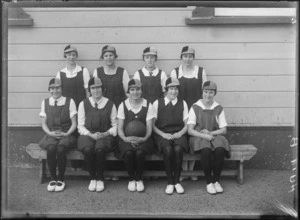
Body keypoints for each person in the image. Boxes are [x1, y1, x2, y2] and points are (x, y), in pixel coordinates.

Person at [170, 46, 208, 181]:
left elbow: (205, 92)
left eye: (190, 56)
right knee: (182, 139)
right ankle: (182, 170)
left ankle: (191, 170)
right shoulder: (175, 72)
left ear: (193, 57)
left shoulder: (200, 72)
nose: (188, 59)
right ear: (181, 57)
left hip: (196, 110)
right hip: (180, 110)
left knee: (193, 138)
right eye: (185, 56)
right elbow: (172, 92)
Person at [187, 81, 231, 195]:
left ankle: (216, 180)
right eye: (206, 92)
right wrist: (204, 135)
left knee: (220, 150)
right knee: (206, 151)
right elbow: (190, 130)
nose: (208, 94)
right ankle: (209, 182)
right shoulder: (195, 107)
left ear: (214, 93)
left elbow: (223, 129)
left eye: (211, 92)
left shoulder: (218, 108)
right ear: (202, 92)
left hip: (214, 135)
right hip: (199, 136)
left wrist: (210, 133)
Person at [77, 77, 118, 192]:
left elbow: (115, 125)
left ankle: (100, 178)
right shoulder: (83, 104)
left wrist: (106, 133)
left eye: (98, 88)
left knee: (100, 149)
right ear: (89, 90)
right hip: (88, 134)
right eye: (93, 88)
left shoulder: (110, 104)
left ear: (102, 88)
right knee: (88, 149)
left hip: (104, 135)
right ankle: (93, 178)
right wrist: (90, 135)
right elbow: (80, 126)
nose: (96, 91)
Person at [38, 78, 77, 192]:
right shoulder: (45, 102)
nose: (55, 91)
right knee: (51, 148)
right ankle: (53, 178)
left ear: (62, 89)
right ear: (49, 89)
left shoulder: (70, 101)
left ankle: (61, 178)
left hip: (67, 133)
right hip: (51, 133)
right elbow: (44, 124)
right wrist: (50, 133)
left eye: (57, 88)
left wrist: (66, 133)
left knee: (60, 149)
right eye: (52, 88)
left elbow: (74, 123)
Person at [56, 45, 90, 170]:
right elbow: (59, 93)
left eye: (73, 54)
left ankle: (84, 163)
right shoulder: (60, 73)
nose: (71, 57)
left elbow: (87, 91)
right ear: (65, 56)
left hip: (81, 105)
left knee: (81, 130)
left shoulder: (83, 71)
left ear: (76, 56)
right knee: (70, 131)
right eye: (69, 54)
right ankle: (73, 164)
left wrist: (87, 106)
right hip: (68, 107)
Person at [117, 79, 154, 192]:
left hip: (144, 138)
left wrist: (145, 138)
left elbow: (149, 126)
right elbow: (120, 127)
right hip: (126, 138)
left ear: (141, 90)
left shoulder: (148, 104)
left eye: (138, 89)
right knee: (128, 153)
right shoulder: (123, 105)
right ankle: (131, 179)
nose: (135, 92)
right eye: (132, 89)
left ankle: (139, 178)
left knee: (139, 153)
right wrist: (125, 138)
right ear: (128, 91)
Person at [152, 77, 189, 195]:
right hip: (162, 134)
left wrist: (180, 133)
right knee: (168, 150)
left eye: (176, 89)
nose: (174, 91)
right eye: (171, 88)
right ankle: (170, 182)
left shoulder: (183, 103)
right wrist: (163, 134)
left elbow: (187, 124)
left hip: (179, 133)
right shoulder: (157, 103)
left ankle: (177, 181)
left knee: (178, 149)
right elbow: (152, 125)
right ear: (166, 89)